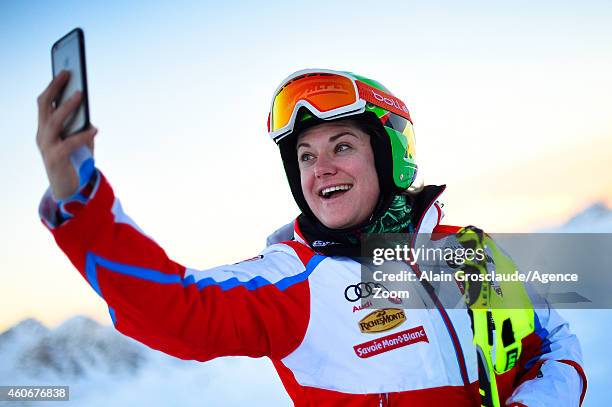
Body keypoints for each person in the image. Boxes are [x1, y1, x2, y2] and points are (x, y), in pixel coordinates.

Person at [36, 69, 586, 406]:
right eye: (305, 155)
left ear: (390, 155)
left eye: (341, 145)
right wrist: (79, 199)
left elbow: (557, 348)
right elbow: (170, 307)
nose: (319, 168)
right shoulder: (294, 278)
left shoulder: (470, 251)